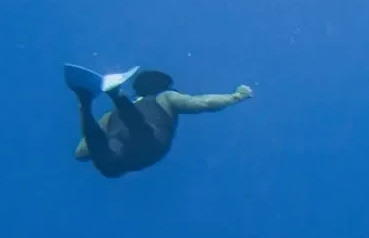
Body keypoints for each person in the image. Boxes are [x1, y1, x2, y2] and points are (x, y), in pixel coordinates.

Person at [66, 64, 253, 178]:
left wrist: (93, 133)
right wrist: (236, 96)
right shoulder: (166, 97)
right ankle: (115, 95)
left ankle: (85, 101)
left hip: (115, 159)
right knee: (141, 134)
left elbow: (81, 152)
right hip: (149, 147)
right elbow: (202, 103)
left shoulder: (109, 116)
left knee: (104, 155)